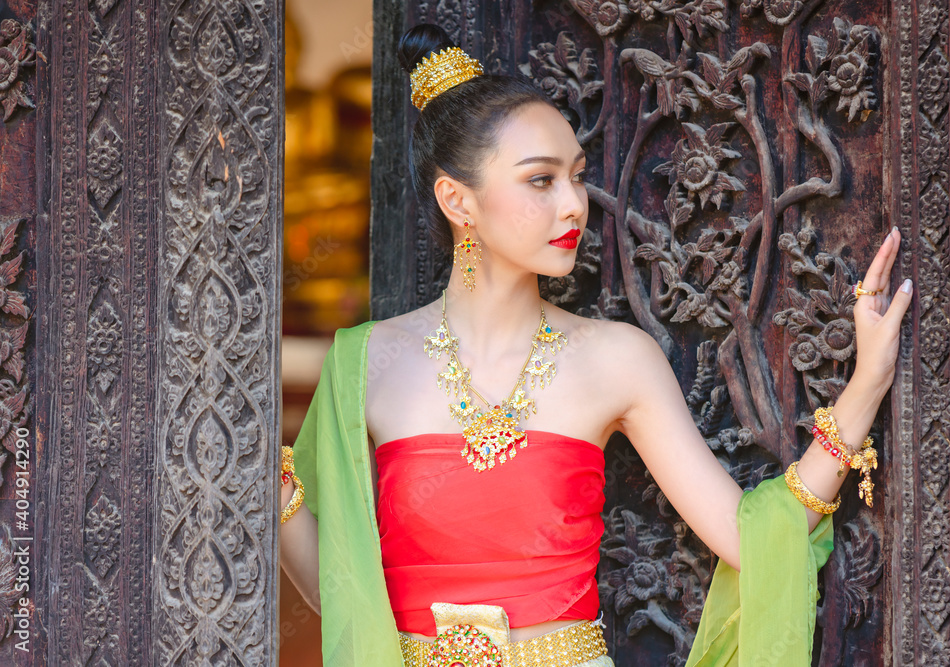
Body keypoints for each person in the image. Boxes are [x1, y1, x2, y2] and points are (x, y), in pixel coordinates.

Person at [279, 23, 912, 667]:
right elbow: (341, 595)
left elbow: (750, 540)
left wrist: (865, 385)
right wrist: (268, 484)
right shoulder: (367, 363)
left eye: (577, 177)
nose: (574, 205)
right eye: (540, 180)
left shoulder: (617, 359)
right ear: (457, 201)